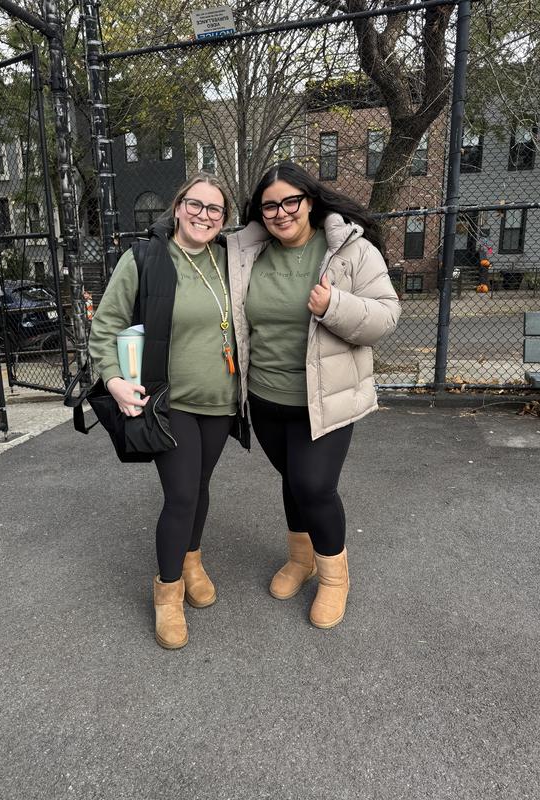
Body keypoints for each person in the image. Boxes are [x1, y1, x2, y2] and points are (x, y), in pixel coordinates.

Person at [227, 161, 400, 629]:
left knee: (313, 486)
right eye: (269, 206)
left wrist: (333, 305)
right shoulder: (247, 252)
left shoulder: (348, 249)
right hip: (265, 398)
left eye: (290, 201)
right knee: (291, 479)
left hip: (324, 398)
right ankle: (300, 559)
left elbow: (386, 316)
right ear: (259, 212)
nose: (281, 213)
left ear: (309, 200)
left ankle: (333, 577)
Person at [89, 174, 241, 650]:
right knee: (180, 495)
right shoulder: (144, 258)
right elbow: (106, 325)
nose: (203, 215)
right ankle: (168, 593)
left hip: (220, 400)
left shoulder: (231, 259)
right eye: (195, 204)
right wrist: (113, 379)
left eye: (214, 209)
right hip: (167, 402)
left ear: (224, 219)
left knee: (200, 485)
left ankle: (192, 561)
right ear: (177, 208)